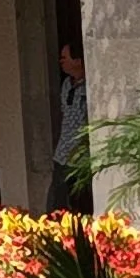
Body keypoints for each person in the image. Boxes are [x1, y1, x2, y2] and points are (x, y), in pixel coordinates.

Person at [46, 44, 91, 213]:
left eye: (65, 57)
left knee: (81, 201)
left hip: (82, 155)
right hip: (63, 152)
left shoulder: (91, 85)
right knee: (57, 201)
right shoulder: (66, 84)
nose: (61, 61)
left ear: (78, 61)